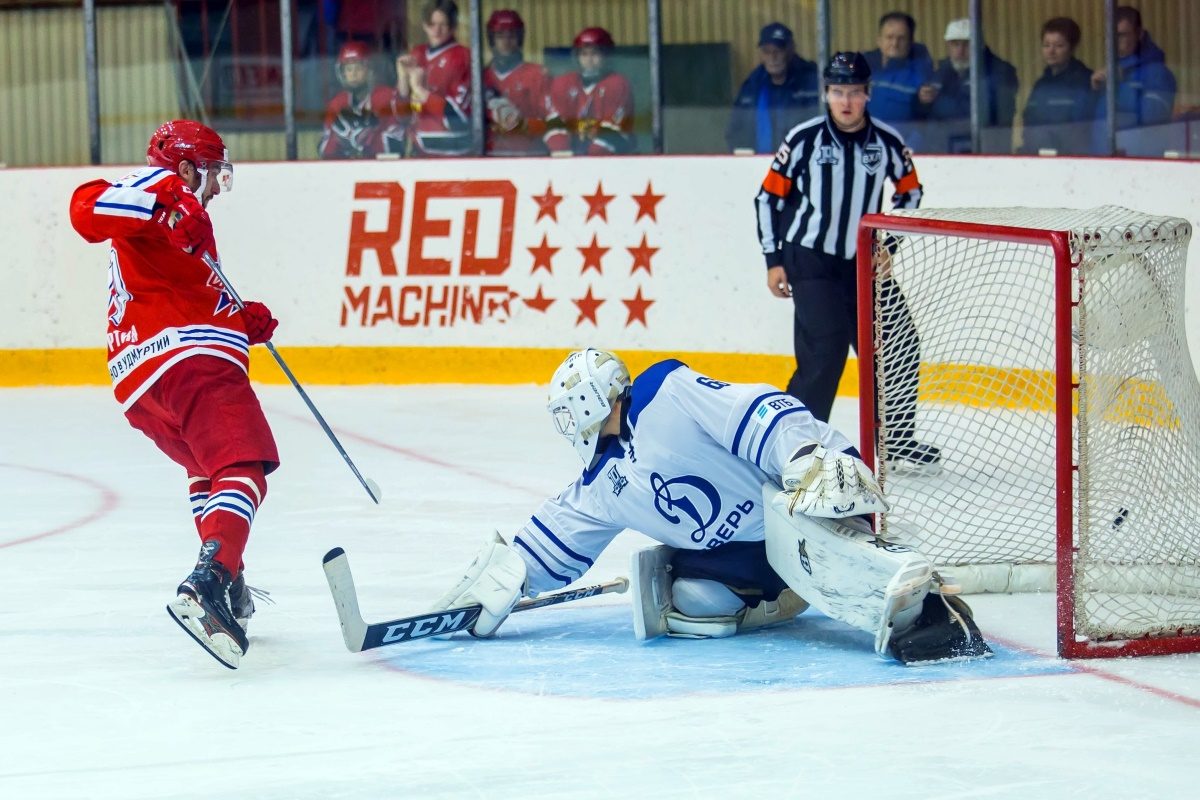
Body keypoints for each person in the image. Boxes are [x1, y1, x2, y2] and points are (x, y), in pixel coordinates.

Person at [429, 349, 991, 665]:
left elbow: (758, 408)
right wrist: (508, 577)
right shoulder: (600, 482)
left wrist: (802, 454)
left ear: (586, 400)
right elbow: (556, 536)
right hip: (748, 549)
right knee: (694, 604)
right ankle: (778, 597)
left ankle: (931, 612)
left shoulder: (665, 391)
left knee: (822, 527)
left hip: (801, 490)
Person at [68, 120, 280, 670]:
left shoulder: (181, 213)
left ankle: (226, 571)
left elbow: (181, 283)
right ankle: (210, 580)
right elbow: (84, 208)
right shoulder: (164, 190)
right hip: (190, 361)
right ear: (186, 167)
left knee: (209, 473)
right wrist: (167, 202)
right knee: (245, 468)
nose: (214, 188)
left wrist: (239, 318)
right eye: (210, 174)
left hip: (144, 379)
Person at [753, 52, 938, 468]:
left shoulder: (887, 141)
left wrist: (887, 246)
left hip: (862, 265)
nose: (846, 101)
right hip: (811, 260)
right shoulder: (803, 139)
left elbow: (910, 192)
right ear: (826, 94)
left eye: (854, 92)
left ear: (868, 94)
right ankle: (794, 445)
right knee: (826, 351)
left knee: (899, 342)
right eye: (838, 92)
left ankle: (896, 439)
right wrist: (773, 259)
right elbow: (767, 198)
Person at [919, 18, 1019, 153]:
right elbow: (924, 117)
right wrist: (922, 100)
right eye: (955, 44)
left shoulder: (1000, 72)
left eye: (967, 44)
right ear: (948, 46)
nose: (960, 51)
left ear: (980, 45)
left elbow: (996, 116)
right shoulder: (940, 71)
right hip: (942, 150)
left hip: (983, 151)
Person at [1091, 5, 1177, 156]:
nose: (1115, 41)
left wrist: (1118, 85)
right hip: (1102, 160)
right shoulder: (1109, 70)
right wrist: (1094, 92)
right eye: (1110, 35)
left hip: (1136, 161)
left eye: (1122, 35)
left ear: (1139, 34)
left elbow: (1153, 121)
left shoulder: (1156, 72)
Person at [725, 22, 819, 155]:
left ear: (791, 50)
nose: (772, 57)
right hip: (759, 165)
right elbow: (736, 130)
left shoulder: (811, 81)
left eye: (778, 51)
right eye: (767, 51)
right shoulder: (753, 85)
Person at [397, 0, 473, 157]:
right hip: (417, 151)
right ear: (424, 25)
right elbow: (401, 117)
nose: (436, 31)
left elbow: (460, 120)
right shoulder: (416, 54)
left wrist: (421, 91)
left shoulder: (463, 57)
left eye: (443, 24)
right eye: (432, 24)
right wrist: (403, 81)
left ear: (453, 26)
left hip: (451, 153)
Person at [544, 27, 635, 156]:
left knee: (597, 149)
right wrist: (562, 153)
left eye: (595, 54)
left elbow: (612, 135)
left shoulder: (617, 84)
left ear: (606, 56)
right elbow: (555, 126)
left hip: (614, 159)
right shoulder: (564, 83)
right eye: (584, 54)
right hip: (576, 154)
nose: (589, 60)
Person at [319, 41, 409, 159]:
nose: (353, 74)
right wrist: (339, 139)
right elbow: (324, 151)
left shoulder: (387, 97)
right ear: (342, 73)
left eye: (358, 68)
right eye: (349, 69)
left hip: (385, 169)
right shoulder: (336, 104)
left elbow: (400, 138)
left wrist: (367, 137)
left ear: (369, 70)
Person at [1020, 17, 1096, 155]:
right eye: (1046, 45)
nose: (1051, 51)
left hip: (1069, 160)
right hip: (1037, 158)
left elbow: (1082, 130)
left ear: (1072, 48)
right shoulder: (1040, 84)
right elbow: (1028, 123)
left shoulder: (1085, 82)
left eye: (1059, 45)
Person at [483, 9, 551, 156]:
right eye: (500, 36)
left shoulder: (537, 75)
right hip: (488, 157)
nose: (506, 42)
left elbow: (549, 122)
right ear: (491, 39)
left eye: (512, 35)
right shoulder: (481, 77)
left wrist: (523, 124)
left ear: (520, 38)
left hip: (526, 157)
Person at [862, 11, 933, 149]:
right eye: (889, 37)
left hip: (901, 148)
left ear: (910, 42)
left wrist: (924, 103)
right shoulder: (862, 69)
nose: (895, 43)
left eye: (901, 38)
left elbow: (926, 122)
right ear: (879, 41)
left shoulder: (921, 73)